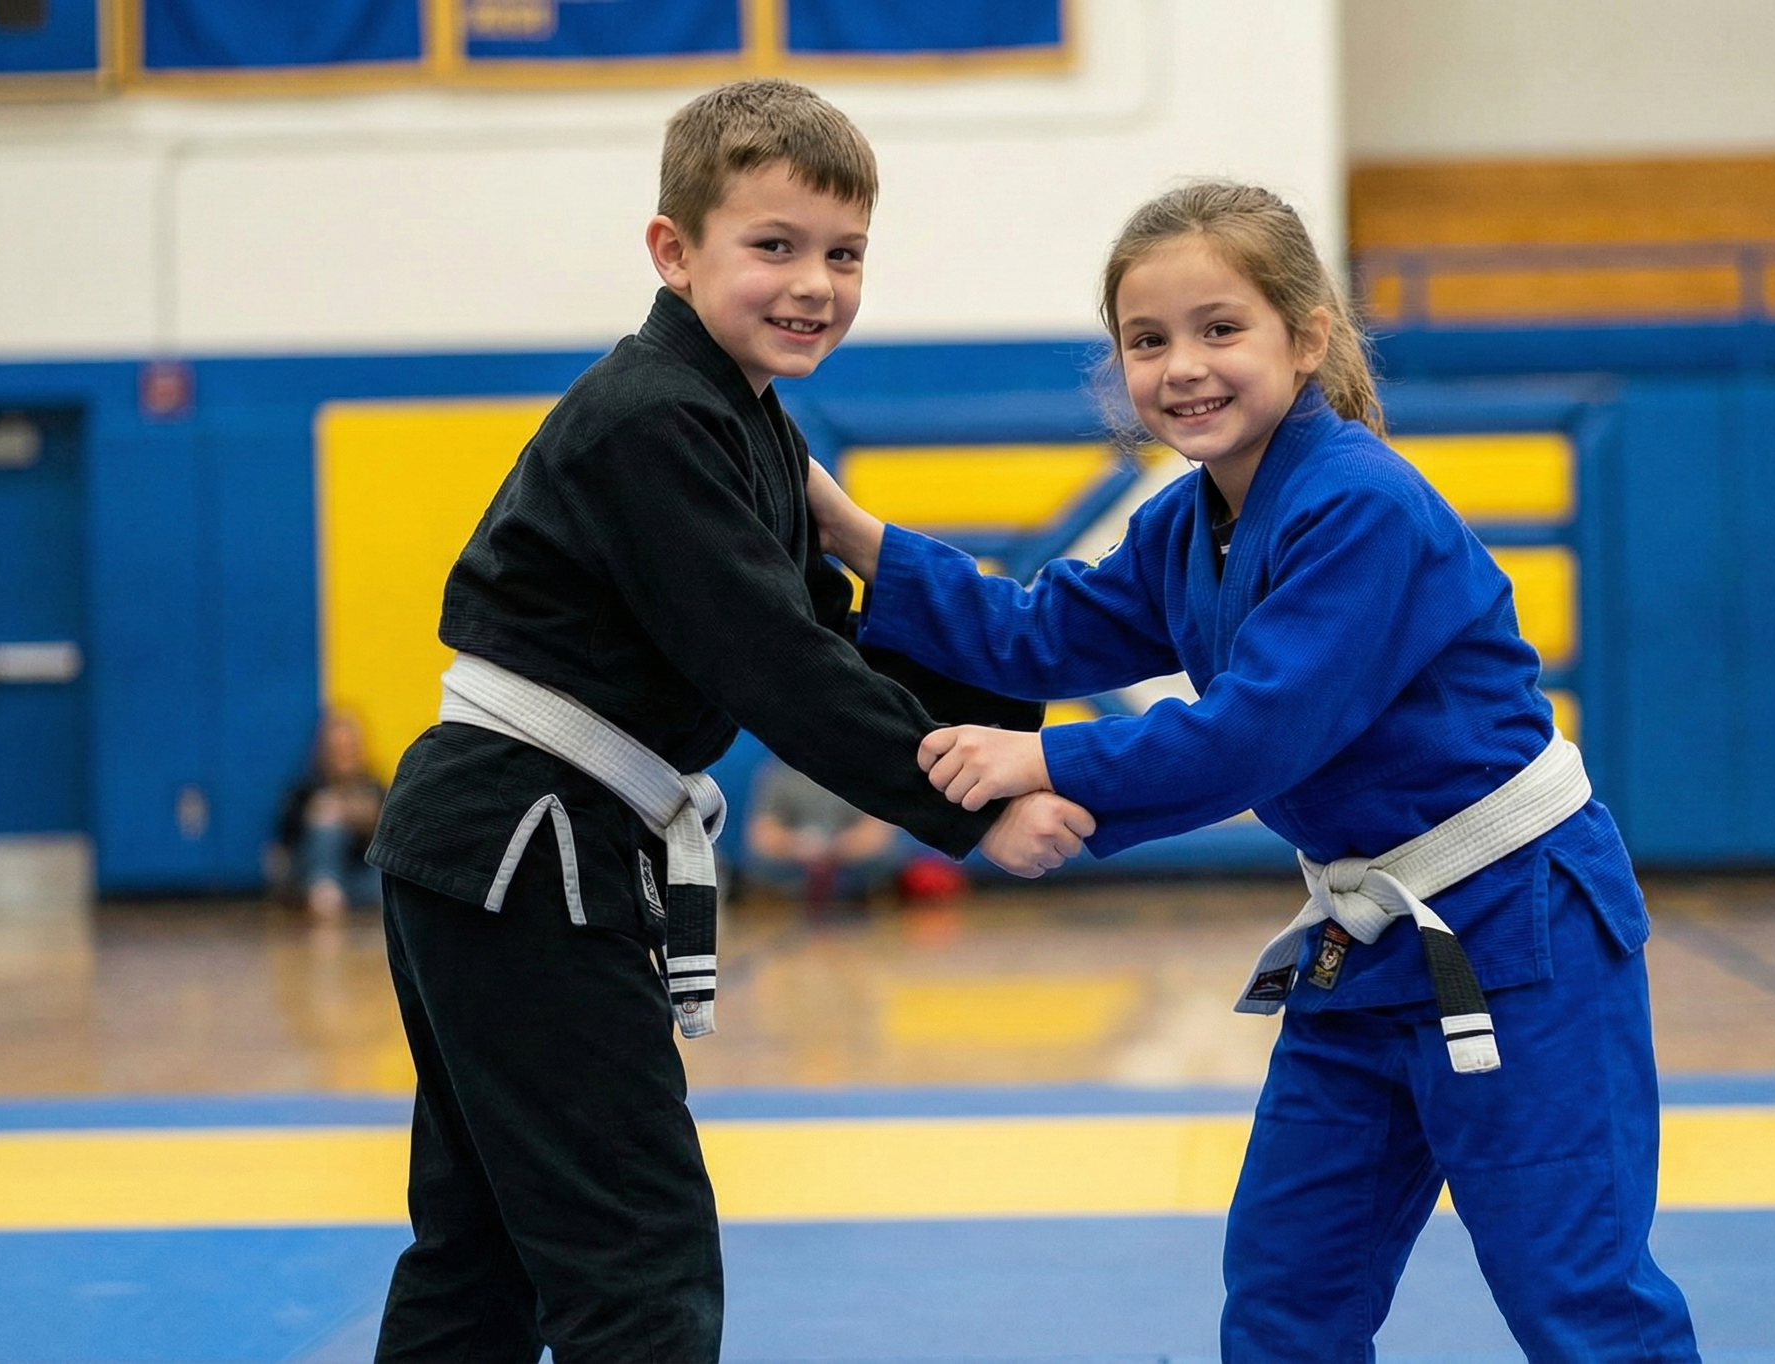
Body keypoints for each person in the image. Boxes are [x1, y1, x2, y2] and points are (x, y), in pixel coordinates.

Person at [806, 181, 1699, 1361]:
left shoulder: (1362, 505)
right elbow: (1033, 631)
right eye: (1148, 339)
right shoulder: (1186, 525)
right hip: (1365, 945)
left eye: (1220, 328)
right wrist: (847, 531)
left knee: (1575, 1296)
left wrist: (1039, 753)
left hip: (1517, 926)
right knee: (1287, 1298)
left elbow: (1255, 732)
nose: (1184, 366)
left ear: (1307, 334)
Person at [359, 79, 1097, 1362]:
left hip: (509, 848)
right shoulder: (656, 417)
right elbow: (775, 667)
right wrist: (974, 806)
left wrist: (1002, 730)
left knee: (486, 1252)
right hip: (526, 843)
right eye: (774, 246)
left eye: (844, 253)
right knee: (634, 1257)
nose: (814, 283)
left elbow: (838, 635)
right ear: (673, 250)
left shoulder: (740, 418)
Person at [739, 755, 905, 909]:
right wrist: (799, 846)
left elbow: (878, 830)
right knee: (760, 863)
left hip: (852, 863)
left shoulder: (863, 772)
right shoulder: (776, 775)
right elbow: (762, 834)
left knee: (885, 859)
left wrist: (835, 849)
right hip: (794, 863)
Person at [274, 709, 387, 920]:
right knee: (327, 824)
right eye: (337, 749)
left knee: (386, 879)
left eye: (350, 748)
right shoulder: (305, 791)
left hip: (359, 879)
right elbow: (283, 844)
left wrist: (361, 818)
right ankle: (325, 890)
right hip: (312, 878)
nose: (345, 756)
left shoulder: (376, 789)